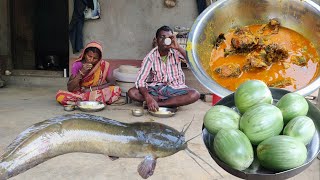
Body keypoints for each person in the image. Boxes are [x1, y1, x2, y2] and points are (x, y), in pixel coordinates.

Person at [128, 26, 200, 112]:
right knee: (132, 92)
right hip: (158, 90)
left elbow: (193, 62)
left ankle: (158, 104)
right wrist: (148, 97)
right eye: (162, 37)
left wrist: (179, 47)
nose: (165, 40)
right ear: (156, 40)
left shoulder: (176, 51)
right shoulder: (150, 57)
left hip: (175, 89)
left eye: (168, 38)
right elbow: (140, 81)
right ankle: (169, 103)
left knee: (194, 94)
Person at [56, 41, 121, 105]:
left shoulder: (103, 65)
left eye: (95, 58)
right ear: (84, 54)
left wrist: (91, 89)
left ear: (99, 59)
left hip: (95, 91)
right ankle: (96, 101)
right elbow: (70, 88)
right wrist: (81, 72)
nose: (91, 60)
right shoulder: (77, 65)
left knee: (116, 89)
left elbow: (112, 83)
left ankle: (82, 102)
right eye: (89, 56)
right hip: (81, 92)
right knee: (60, 96)